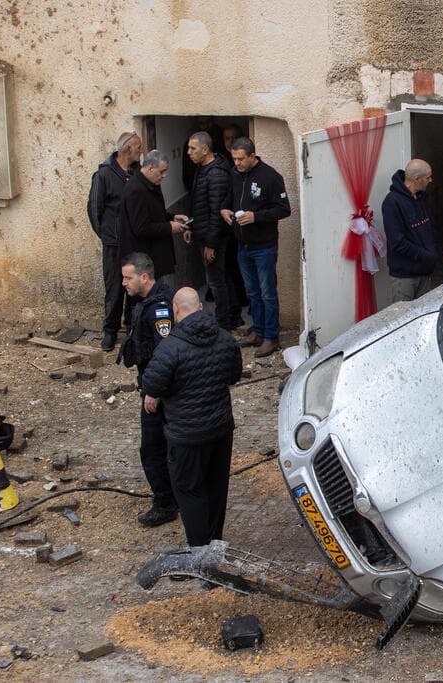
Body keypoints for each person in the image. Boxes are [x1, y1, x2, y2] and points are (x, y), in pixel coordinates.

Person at [141, 288, 242, 547]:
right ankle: (215, 543)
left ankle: (200, 553)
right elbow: (233, 375)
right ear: (199, 308)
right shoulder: (225, 339)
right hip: (220, 429)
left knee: (189, 492)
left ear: (175, 310)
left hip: (186, 436)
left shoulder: (170, 347)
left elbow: (152, 383)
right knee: (216, 489)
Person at [118, 252, 179, 527]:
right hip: (156, 385)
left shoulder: (159, 307)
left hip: (160, 390)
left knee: (153, 447)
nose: (124, 283)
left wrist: (153, 391)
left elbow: (163, 354)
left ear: (144, 277)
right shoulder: (147, 302)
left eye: (128, 277)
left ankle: (165, 503)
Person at [221, 137, 291, 358]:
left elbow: (284, 209)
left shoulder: (270, 177)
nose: (237, 163)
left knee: (267, 293)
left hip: (264, 246)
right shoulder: (234, 174)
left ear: (253, 156)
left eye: (241, 159)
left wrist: (256, 217)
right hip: (243, 244)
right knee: (252, 292)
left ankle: (271, 336)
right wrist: (224, 210)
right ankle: (258, 331)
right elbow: (230, 198)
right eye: (234, 159)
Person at [87, 132, 143, 351]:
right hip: (114, 243)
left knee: (135, 286)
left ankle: (132, 328)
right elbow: (94, 210)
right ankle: (110, 331)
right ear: (127, 150)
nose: (141, 151)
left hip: (134, 242)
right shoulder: (103, 175)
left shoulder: (136, 173)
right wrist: (107, 234)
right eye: (138, 147)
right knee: (114, 288)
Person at [187, 132, 241, 330]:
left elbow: (216, 213)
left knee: (216, 281)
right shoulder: (202, 169)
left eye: (193, 148)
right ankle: (233, 317)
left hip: (214, 238)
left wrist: (211, 244)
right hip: (203, 234)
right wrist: (191, 227)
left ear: (205, 149)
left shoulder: (216, 174)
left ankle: (223, 323)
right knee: (222, 277)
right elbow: (200, 205)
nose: (188, 152)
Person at [118, 150, 188, 286]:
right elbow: (141, 227)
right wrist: (169, 227)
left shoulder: (150, 184)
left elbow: (154, 214)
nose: (164, 175)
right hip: (143, 259)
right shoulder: (136, 190)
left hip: (153, 257)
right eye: (161, 171)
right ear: (150, 169)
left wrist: (173, 217)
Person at [381, 159, 438, 303]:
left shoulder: (421, 198)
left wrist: (431, 253)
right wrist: (427, 256)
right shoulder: (392, 202)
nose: (431, 180)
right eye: (428, 177)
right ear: (416, 179)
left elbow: (429, 228)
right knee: (403, 319)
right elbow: (397, 242)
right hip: (405, 277)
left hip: (424, 272)